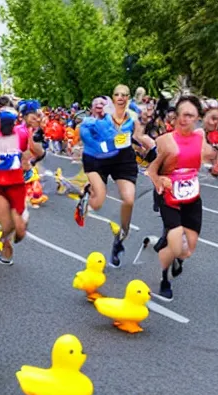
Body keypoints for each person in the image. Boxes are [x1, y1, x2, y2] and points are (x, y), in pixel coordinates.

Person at [147, 95, 218, 300]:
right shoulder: (165, 141)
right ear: (175, 117)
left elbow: (216, 155)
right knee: (174, 245)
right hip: (169, 199)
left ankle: (175, 257)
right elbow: (152, 169)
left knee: (187, 250)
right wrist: (160, 181)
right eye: (181, 115)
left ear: (197, 118)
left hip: (192, 199)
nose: (184, 119)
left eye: (189, 115)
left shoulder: (200, 137)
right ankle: (165, 278)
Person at [75, 85, 155, 267]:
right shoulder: (87, 124)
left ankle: (119, 240)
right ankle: (88, 192)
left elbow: (137, 135)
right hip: (97, 160)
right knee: (98, 201)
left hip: (122, 161)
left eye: (104, 103)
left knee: (129, 200)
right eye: (96, 104)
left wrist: (150, 148)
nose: (100, 106)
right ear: (92, 108)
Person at [0, 103, 43, 264]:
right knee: (4, 221)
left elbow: (32, 153)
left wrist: (30, 159)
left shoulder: (22, 133)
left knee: (19, 228)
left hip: (16, 183)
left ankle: (1, 238)